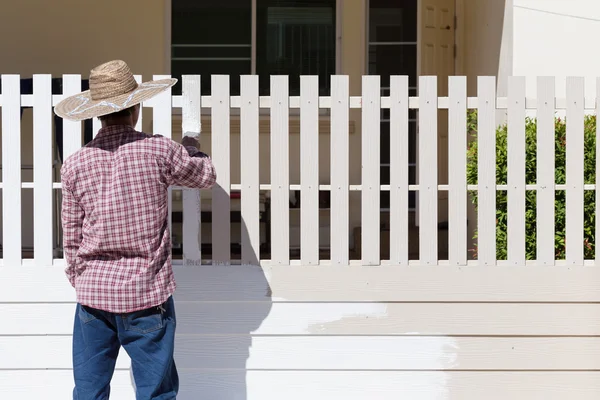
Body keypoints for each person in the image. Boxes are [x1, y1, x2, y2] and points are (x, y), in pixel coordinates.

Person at [54, 60, 217, 399]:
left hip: (93, 296)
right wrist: (190, 146)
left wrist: (81, 278)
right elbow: (204, 176)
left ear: (97, 113)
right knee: (155, 391)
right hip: (146, 293)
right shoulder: (159, 150)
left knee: (89, 390)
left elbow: (70, 235)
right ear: (136, 106)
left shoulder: (75, 164)